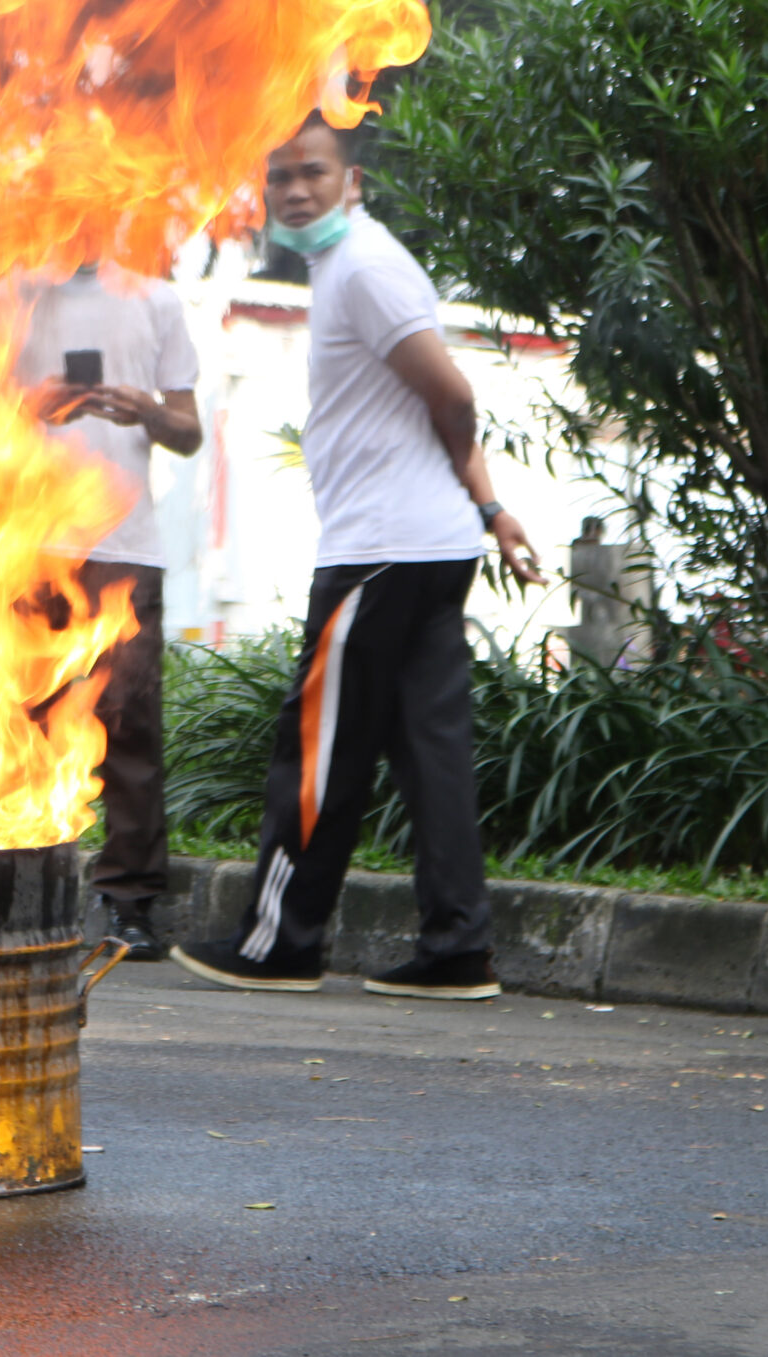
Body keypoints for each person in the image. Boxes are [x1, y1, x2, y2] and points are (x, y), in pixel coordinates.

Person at [169, 111, 542, 1001]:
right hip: (428, 545)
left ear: (353, 182)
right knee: (430, 754)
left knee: (320, 753)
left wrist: (484, 496)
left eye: (314, 172)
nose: (296, 190)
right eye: (280, 178)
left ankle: (279, 942)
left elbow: (452, 394)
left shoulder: (366, 268)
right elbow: (438, 407)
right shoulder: (349, 266)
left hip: (379, 554)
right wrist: (489, 508)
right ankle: (458, 948)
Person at [8, 263, 202, 958]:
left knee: (129, 723)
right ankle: (8, 885)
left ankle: (131, 903)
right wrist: (37, 403)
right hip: (29, 541)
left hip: (125, 544)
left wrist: (145, 409)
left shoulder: (154, 299)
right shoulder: (10, 292)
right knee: (16, 719)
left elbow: (188, 429)